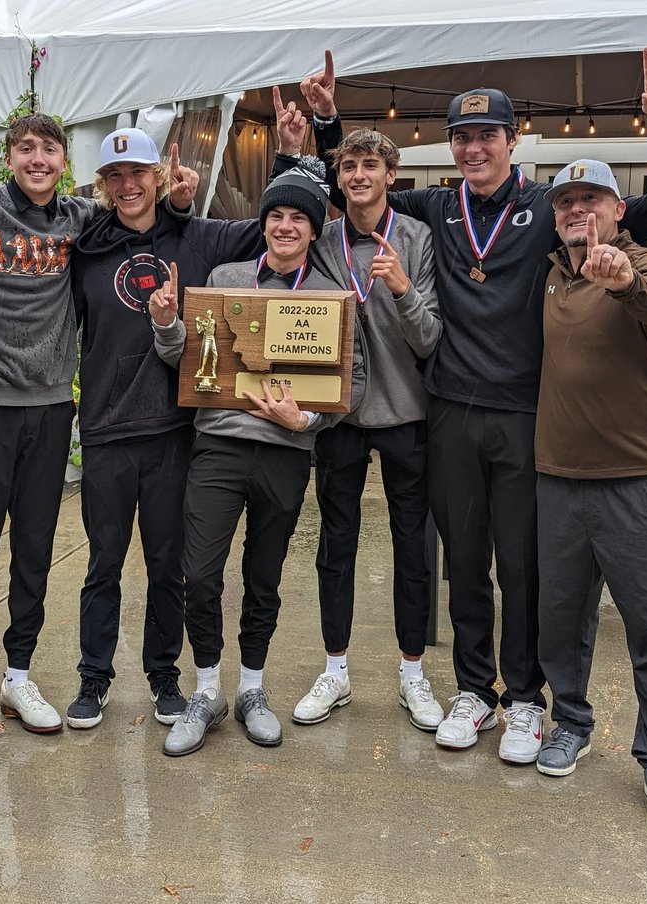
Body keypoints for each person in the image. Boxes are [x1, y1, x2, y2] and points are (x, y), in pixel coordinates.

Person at [297, 48, 647, 764]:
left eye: (488, 136)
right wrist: (329, 125)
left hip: (523, 416)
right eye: (462, 137)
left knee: (522, 565)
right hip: (450, 408)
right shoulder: (436, 206)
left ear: (514, 139)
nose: (474, 147)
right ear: (451, 146)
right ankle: (475, 689)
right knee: (464, 561)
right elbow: (358, 200)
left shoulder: (550, 208)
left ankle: (523, 700)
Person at [0, 114, 198, 740]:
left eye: (49, 150)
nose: (37, 159)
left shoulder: (81, 221)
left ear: (65, 164)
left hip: (55, 407)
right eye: (25, 149)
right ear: (9, 157)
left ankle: (20, 673)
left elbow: (144, 215)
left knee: (35, 549)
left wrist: (179, 197)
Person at [153, 160, 364, 757]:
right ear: (263, 223)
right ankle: (206, 690)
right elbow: (185, 360)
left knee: (263, 576)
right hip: (218, 446)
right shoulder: (226, 277)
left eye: (299, 217)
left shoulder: (330, 296)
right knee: (199, 573)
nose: (286, 226)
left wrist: (311, 421)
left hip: (286, 453)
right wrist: (167, 326)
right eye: (276, 216)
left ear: (314, 229)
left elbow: (356, 382)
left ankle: (251, 689)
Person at [66, 128, 262, 729]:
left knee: (167, 564)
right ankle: (94, 677)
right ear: (103, 186)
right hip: (104, 428)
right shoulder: (87, 246)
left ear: (158, 174)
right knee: (103, 564)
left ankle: (163, 675)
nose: (129, 186)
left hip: (174, 433)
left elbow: (265, 230)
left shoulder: (195, 240)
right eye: (115, 177)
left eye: (139, 173)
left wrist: (292, 150)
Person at [532, 159, 647, 830]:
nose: (578, 209)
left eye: (592, 198)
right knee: (562, 623)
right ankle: (570, 722)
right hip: (561, 483)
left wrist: (624, 279)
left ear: (618, 209)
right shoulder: (548, 275)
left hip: (643, 487)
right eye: (566, 200)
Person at [272, 121, 443, 731]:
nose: (359, 176)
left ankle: (413, 673)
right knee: (335, 544)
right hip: (340, 416)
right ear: (338, 178)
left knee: (411, 547)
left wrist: (400, 290)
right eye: (349, 167)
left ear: (390, 177)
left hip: (406, 414)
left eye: (371, 166)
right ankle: (335, 669)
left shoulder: (419, 239)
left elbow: (429, 340)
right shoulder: (324, 240)